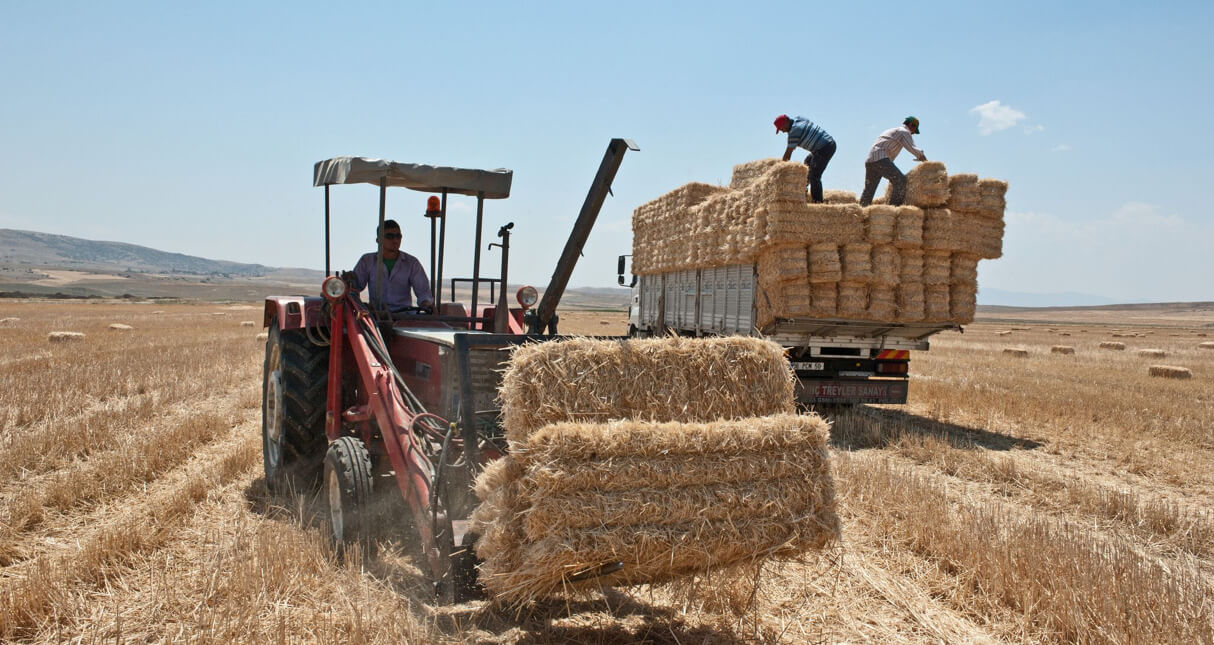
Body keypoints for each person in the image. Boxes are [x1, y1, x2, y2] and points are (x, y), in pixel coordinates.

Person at [349, 219, 434, 315]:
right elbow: (354, 288)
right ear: (378, 240)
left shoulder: (412, 263)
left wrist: (427, 304)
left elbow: (423, 292)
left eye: (398, 236)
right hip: (376, 316)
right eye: (390, 236)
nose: (395, 240)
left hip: (404, 317)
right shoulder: (367, 261)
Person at [860, 116, 927, 207]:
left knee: (869, 190)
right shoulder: (904, 132)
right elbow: (912, 147)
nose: (913, 133)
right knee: (901, 181)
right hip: (880, 159)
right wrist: (924, 159)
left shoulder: (892, 130)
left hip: (870, 161)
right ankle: (893, 209)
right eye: (914, 130)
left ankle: (861, 212)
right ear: (911, 125)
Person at [774, 114, 836, 203]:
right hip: (825, 144)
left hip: (825, 148)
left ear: (786, 122)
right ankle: (802, 191)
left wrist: (780, 169)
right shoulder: (799, 119)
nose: (782, 131)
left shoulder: (793, 132)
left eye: (781, 128)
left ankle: (818, 202)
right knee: (807, 162)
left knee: (814, 175)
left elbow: (788, 154)